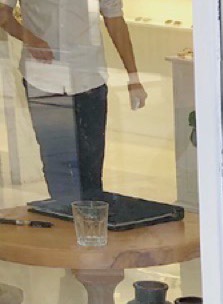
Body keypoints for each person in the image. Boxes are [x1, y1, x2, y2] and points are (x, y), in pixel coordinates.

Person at [0, 0, 147, 202]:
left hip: (88, 75)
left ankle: (90, 215)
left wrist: (133, 77)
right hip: (44, 79)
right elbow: (3, 14)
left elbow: (114, 19)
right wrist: (30, 39)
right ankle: (64, 213)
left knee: (91, 161)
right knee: (55, 159)